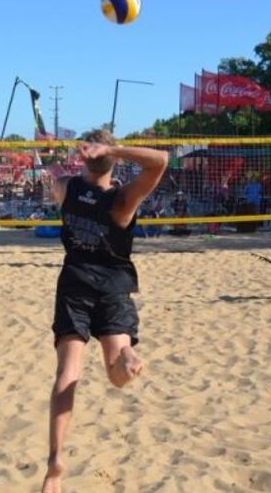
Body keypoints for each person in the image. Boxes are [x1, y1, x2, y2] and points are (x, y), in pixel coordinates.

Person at [41, 130, 168, 493]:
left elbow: (54, 178)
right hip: (112, 288)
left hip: (75, 284)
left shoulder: (66, 187)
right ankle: (126, 354)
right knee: (116, 377)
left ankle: (54, 463)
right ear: (112, 159)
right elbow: (160, 160)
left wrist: (59, 158)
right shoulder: (122, 200)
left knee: (67, 373)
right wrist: (113, 149)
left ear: (84, 158)